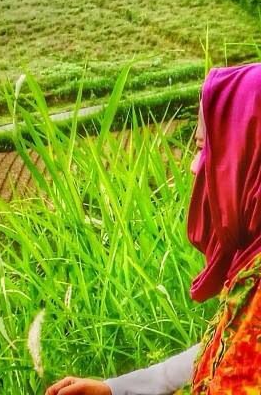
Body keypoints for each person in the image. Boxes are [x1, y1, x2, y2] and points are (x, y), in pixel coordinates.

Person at [46, 64, 261, 395]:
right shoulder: (252, 263)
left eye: (208, 149)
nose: (193, 166)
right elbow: (228, 350)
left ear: (250, 154)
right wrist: (117, 389)